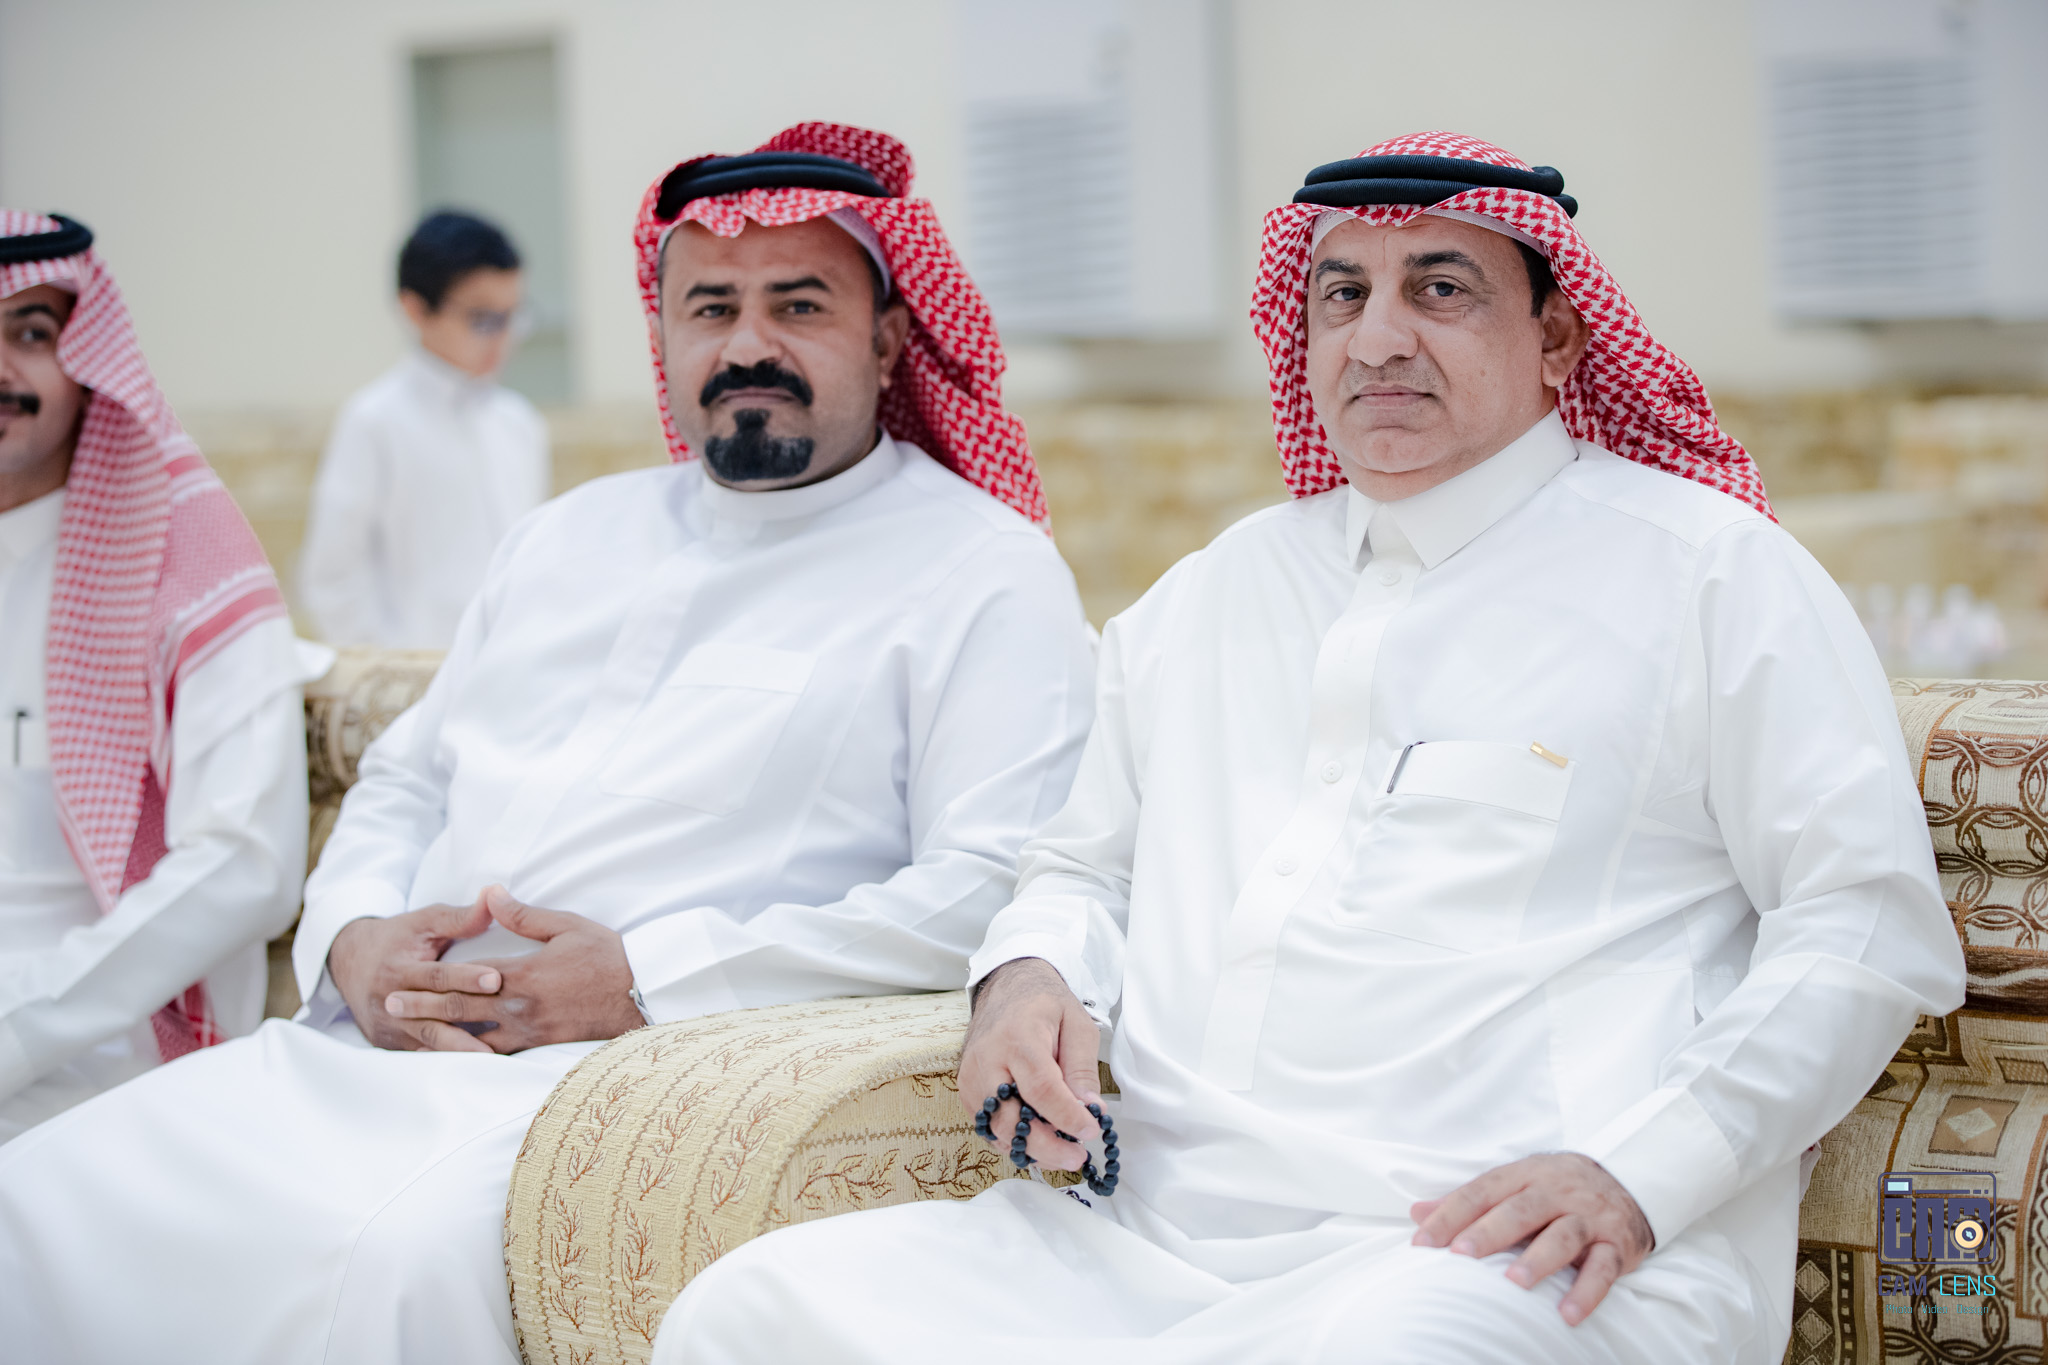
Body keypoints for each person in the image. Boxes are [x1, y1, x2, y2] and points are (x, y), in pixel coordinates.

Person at [653, 133, 1967, 1365]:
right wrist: (1028, 977)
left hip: (1487, 1249)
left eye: (1439, 289)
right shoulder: (1212, 593)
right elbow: (1079, 867)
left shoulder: (1711, 575)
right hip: (1141, 1235)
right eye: (1341, 296)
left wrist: (1640, 1173)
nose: (1378, 337)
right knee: (749, 1312)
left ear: (1559, 337)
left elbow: (1862, 921)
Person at [0, 123, 1093, 1364]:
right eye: (710, 308)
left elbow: (986, 885)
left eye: (799, 305)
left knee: (381, 1270)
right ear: (664, 333)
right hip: (360, 1054)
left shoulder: (982, 570)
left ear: (889, 338)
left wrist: (646, 979)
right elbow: (405, 776)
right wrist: (351, 939)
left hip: (608, 1084)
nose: (746, 345)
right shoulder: (566, 537)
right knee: (39, 1195)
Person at [0, 212, 316, 1143]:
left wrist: (17, 1028)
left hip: (98, 1054)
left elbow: (244, 864)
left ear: (88, 357)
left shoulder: (189, 572)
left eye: (30, 332)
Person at [297, 210, 550, 648]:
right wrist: (399, 671)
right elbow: (332, 580)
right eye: (483, 319)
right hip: (416, 674)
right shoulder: (374, 422)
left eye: (513, 316)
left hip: (513, 664)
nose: (503, 338)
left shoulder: (518, 422)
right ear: (415, 308)